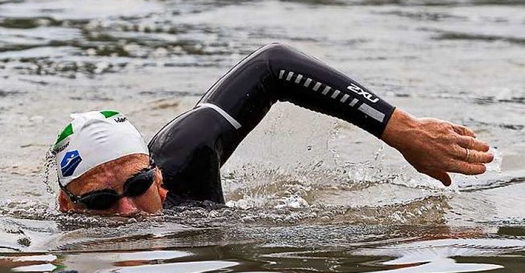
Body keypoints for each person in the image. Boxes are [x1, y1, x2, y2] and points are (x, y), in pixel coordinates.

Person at [52, 43, 494, 216]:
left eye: (139, 184)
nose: (128, 209)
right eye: (102, 201)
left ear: (159, 178)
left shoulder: (185, 155)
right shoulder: (52, 241)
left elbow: (273, 65)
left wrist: (402, 129)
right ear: (68, 206)